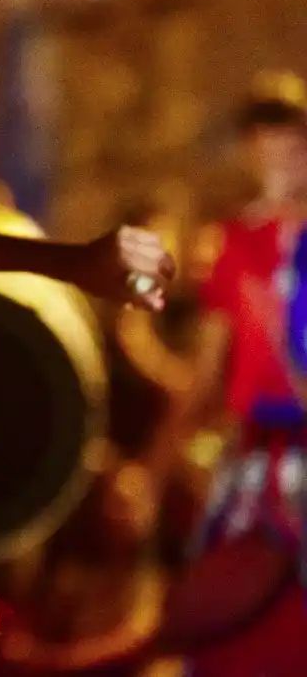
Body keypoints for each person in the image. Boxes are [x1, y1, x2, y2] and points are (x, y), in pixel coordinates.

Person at [159, 72, 307, 675]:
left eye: (292, 144)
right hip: (253, 459)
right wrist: (155, 465)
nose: (280, 158)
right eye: (267, 144)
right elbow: (206, 373)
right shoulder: (232, 244)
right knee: (224, 624)